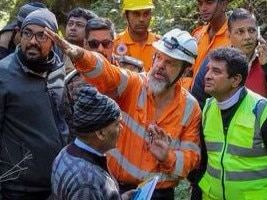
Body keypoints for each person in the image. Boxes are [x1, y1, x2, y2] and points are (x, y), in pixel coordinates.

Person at [46, 27, 201, 200]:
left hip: (159, 194)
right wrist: (81, 56)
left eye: (170, 63)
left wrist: (167, 157)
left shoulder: (190, 108)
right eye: (158, 57)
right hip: (118, 188)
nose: (159, 66)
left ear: (185, 71)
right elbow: (107, 74)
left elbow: (191, 160)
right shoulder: (134, 84)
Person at [0, 8, 67, 199]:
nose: (32, 41)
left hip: (56, 184)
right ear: (19, 35)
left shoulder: (57, 71)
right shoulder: (3, 74)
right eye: (27, 33)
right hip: (17, 189)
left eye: (41, 35)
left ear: (53, 40)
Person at [199, 46, 267, 200]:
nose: (207, 75)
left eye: (216, 71)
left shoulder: (261, 110)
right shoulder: (208, 108)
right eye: (208, 69)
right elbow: (204, 161)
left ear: (236, 80)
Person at [51, 86, 136, 200]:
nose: (121, 128)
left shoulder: (64, 153)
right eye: (117, 124)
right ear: (100, 133)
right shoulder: (87, 182)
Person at [192, 8, 267, 109]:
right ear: (229, 35)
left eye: (252, 30)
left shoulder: (264, 58)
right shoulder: (215, 61)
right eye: (240, 32)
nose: (247, 37)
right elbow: (198, 100)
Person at [182, 0, 231, 90]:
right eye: (200, 4)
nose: (203, 8)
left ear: (223, 4)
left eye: (209, 3)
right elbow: (187, 70)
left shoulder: (233, 36)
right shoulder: (197, 34)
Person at [113, 0, 160, 72]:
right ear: (126, 16)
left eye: (146, 14)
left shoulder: (160, 44)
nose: (141, 19)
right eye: (136, 14)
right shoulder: (114, 45)